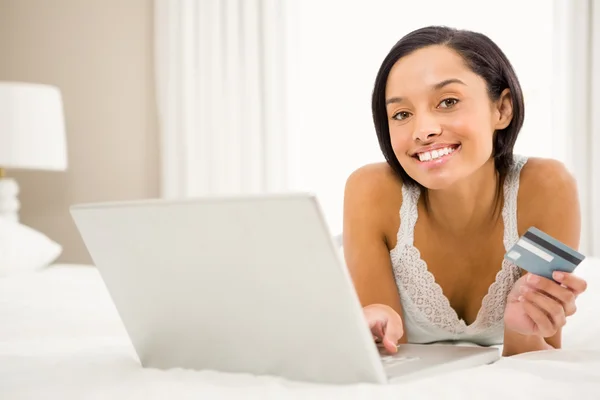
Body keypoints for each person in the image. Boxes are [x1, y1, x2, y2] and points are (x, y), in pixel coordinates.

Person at [342, 26, 588, 357]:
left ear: (502, 109)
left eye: (448, 101)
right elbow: (386, 351)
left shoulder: (546, 186)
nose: (424, 130)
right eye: (401, 113)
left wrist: (520, 329)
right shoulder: (371, 191)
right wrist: (373, 331)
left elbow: (539, 353)